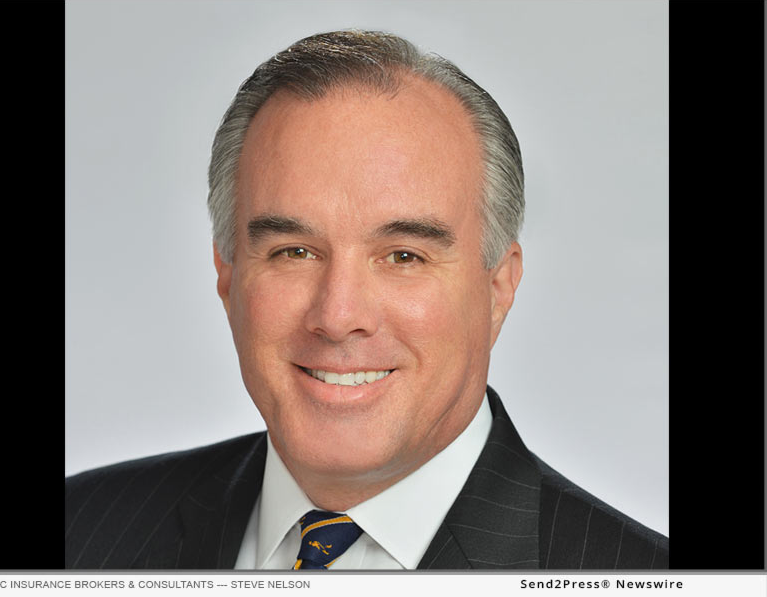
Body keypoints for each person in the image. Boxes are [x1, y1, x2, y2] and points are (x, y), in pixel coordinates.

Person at [65, 29, 668, 570]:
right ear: (228, 276)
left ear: (497, 287)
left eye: (404, 256)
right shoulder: (79, 533)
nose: (338, 316)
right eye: (294, 251)